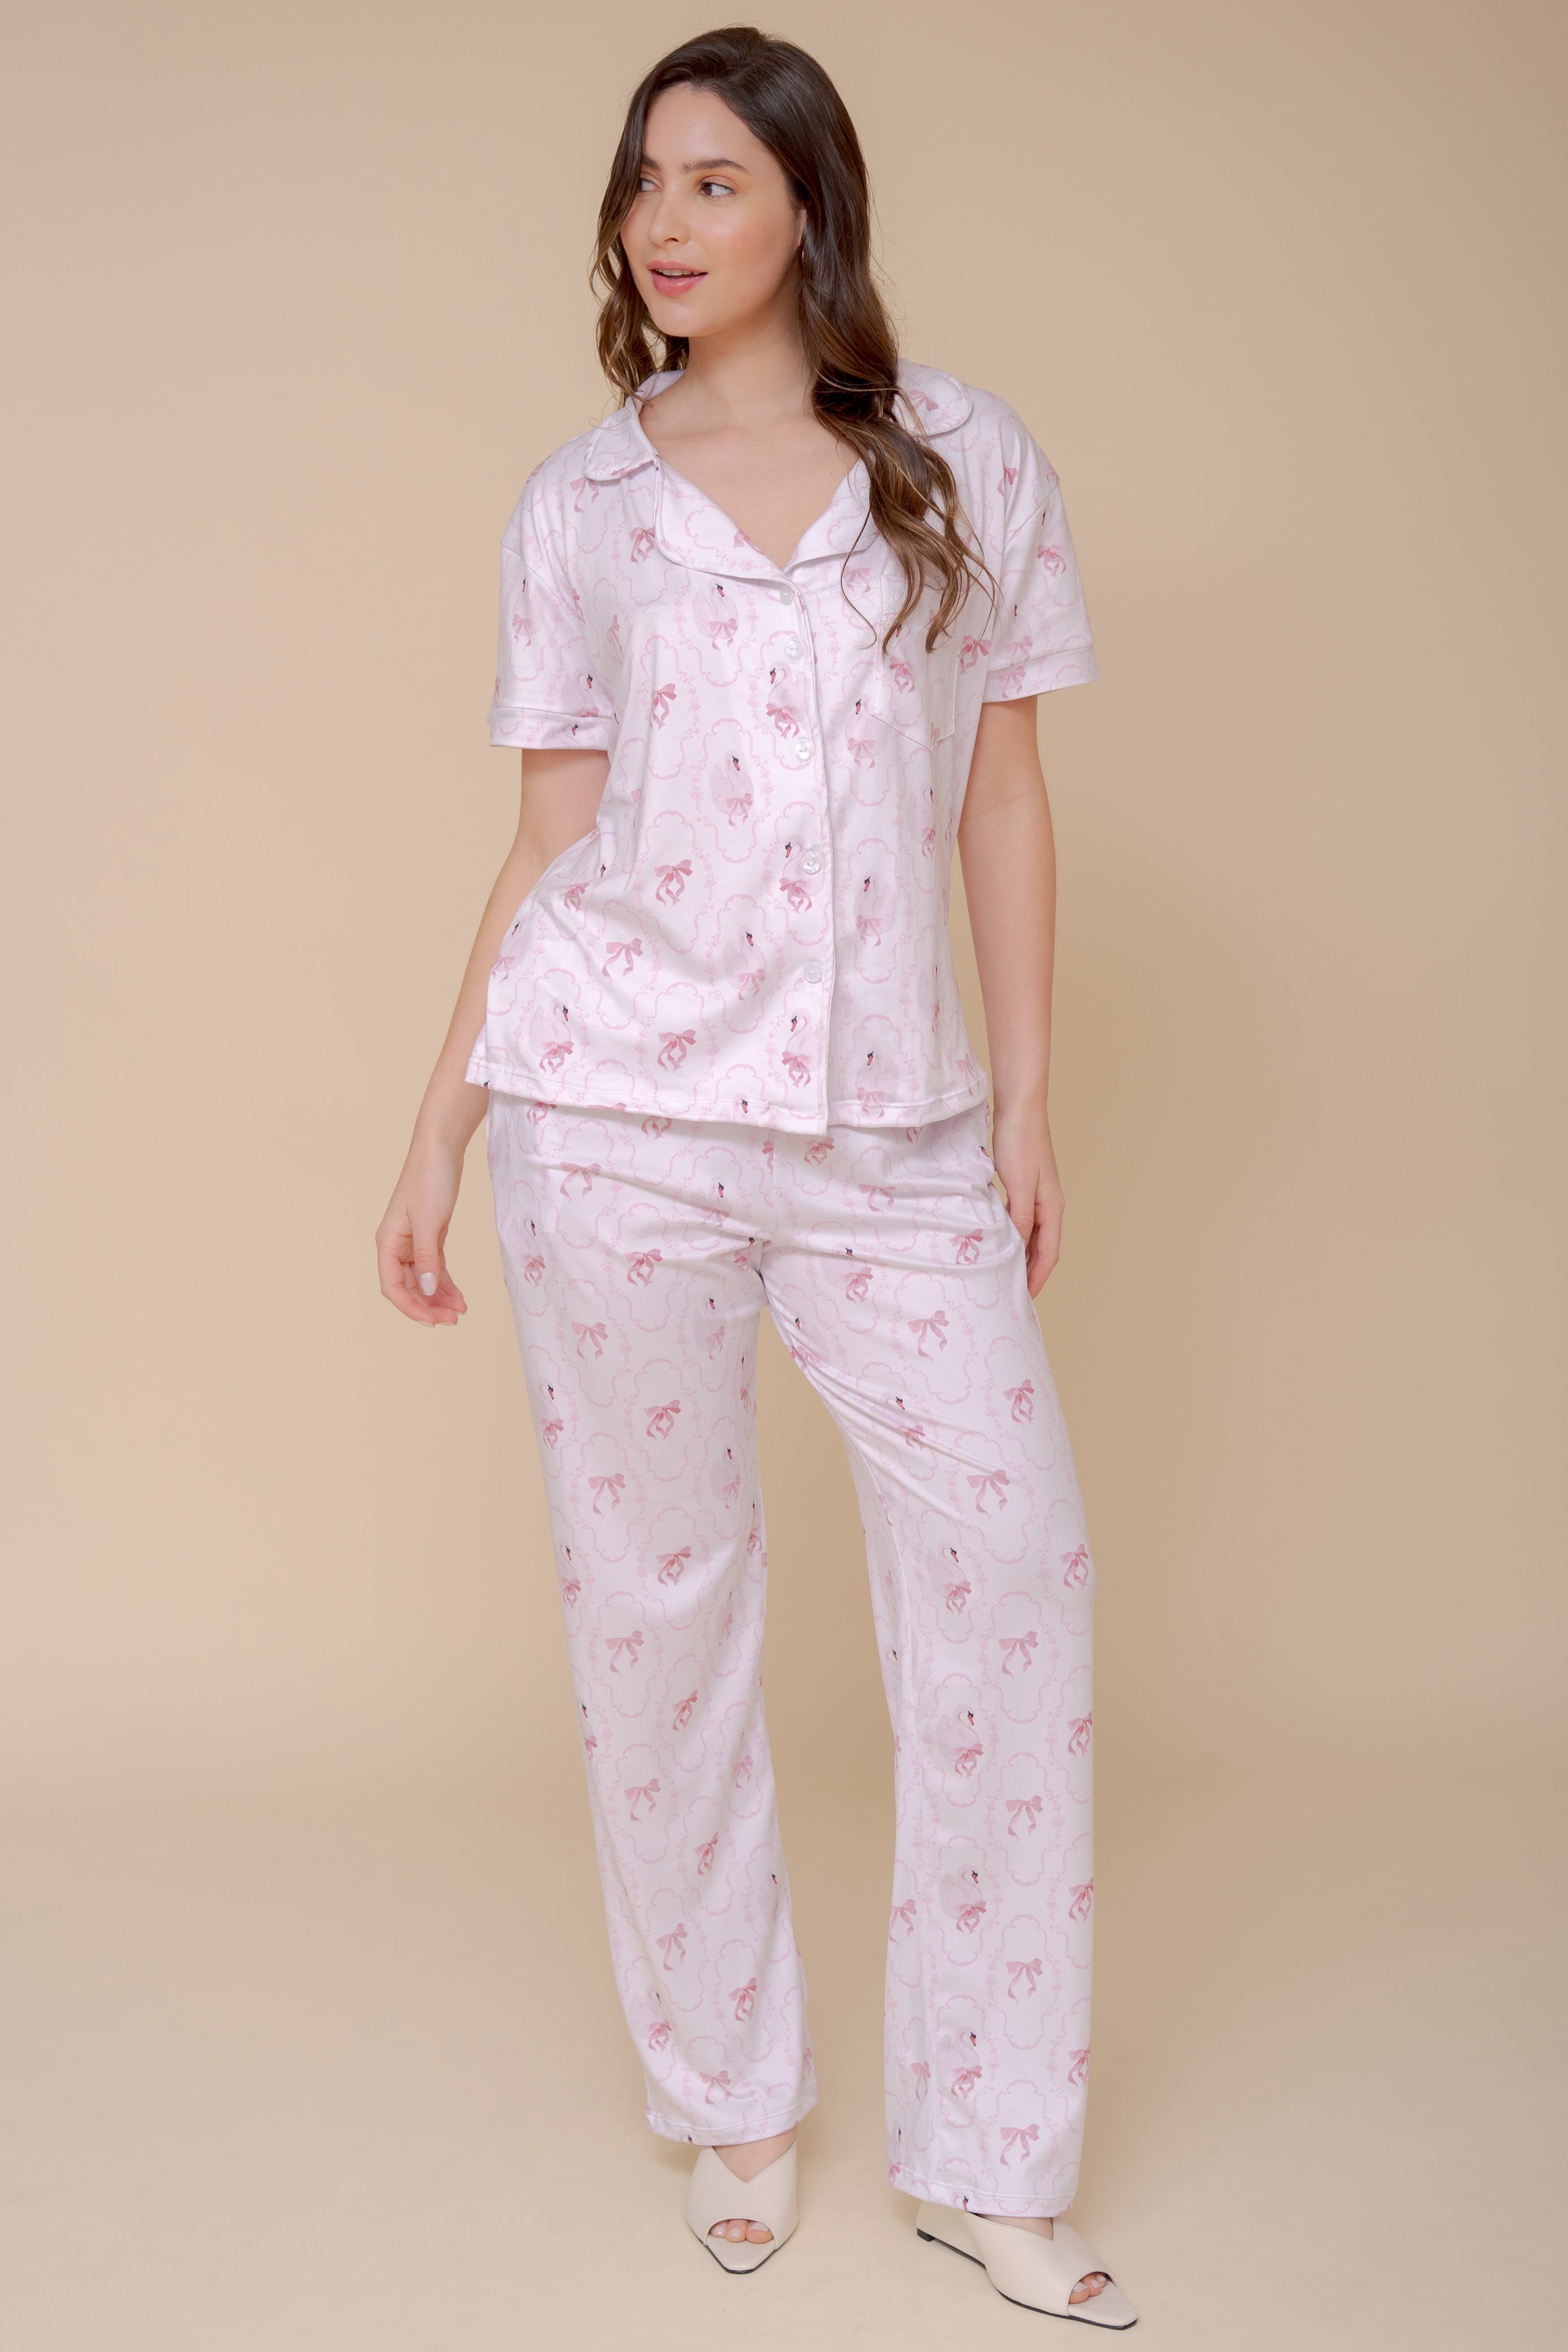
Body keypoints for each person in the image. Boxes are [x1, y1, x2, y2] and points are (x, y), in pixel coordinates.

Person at [375, 24, 1134, 2328]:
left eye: (712, 179)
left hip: (894, 1133)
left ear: (809, 198)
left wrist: (1021, 1098)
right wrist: (439, 1120)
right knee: (660, 1604)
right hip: (614, 1120)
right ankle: (730, 2091)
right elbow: (548, 846)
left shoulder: (963, 461)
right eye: (642, 184)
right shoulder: (579, 509)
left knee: (1012, 1574)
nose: (664, 222)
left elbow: (1001, 796)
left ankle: (985, 2153)